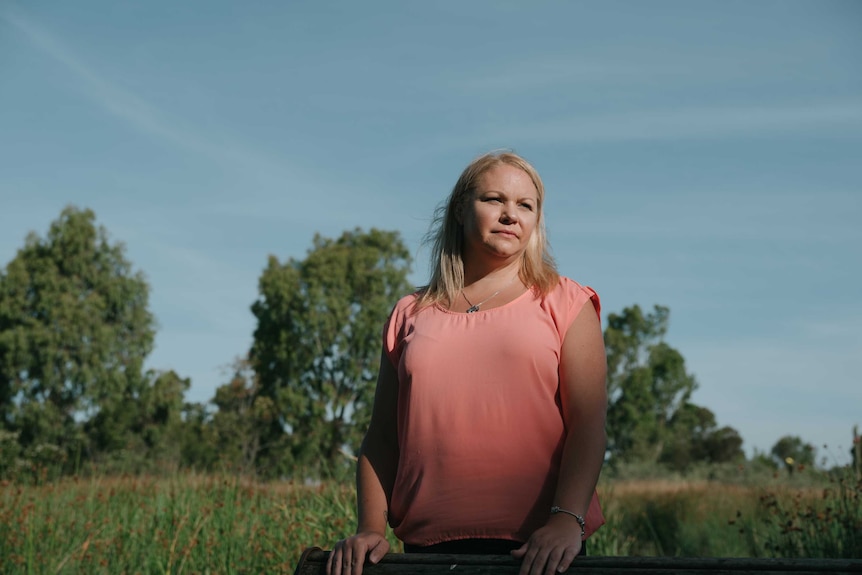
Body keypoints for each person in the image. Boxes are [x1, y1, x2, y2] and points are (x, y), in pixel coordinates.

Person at [327, 151, 607, 575]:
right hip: (427, 555)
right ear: (460, 209)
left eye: (525, 205)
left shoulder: (566, 302)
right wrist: (371, 528)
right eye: (494, 199)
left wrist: (566, 521)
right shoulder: (410, 313)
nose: (511, 215)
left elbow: (588, 423)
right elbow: (382, 438)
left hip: (538, 554)